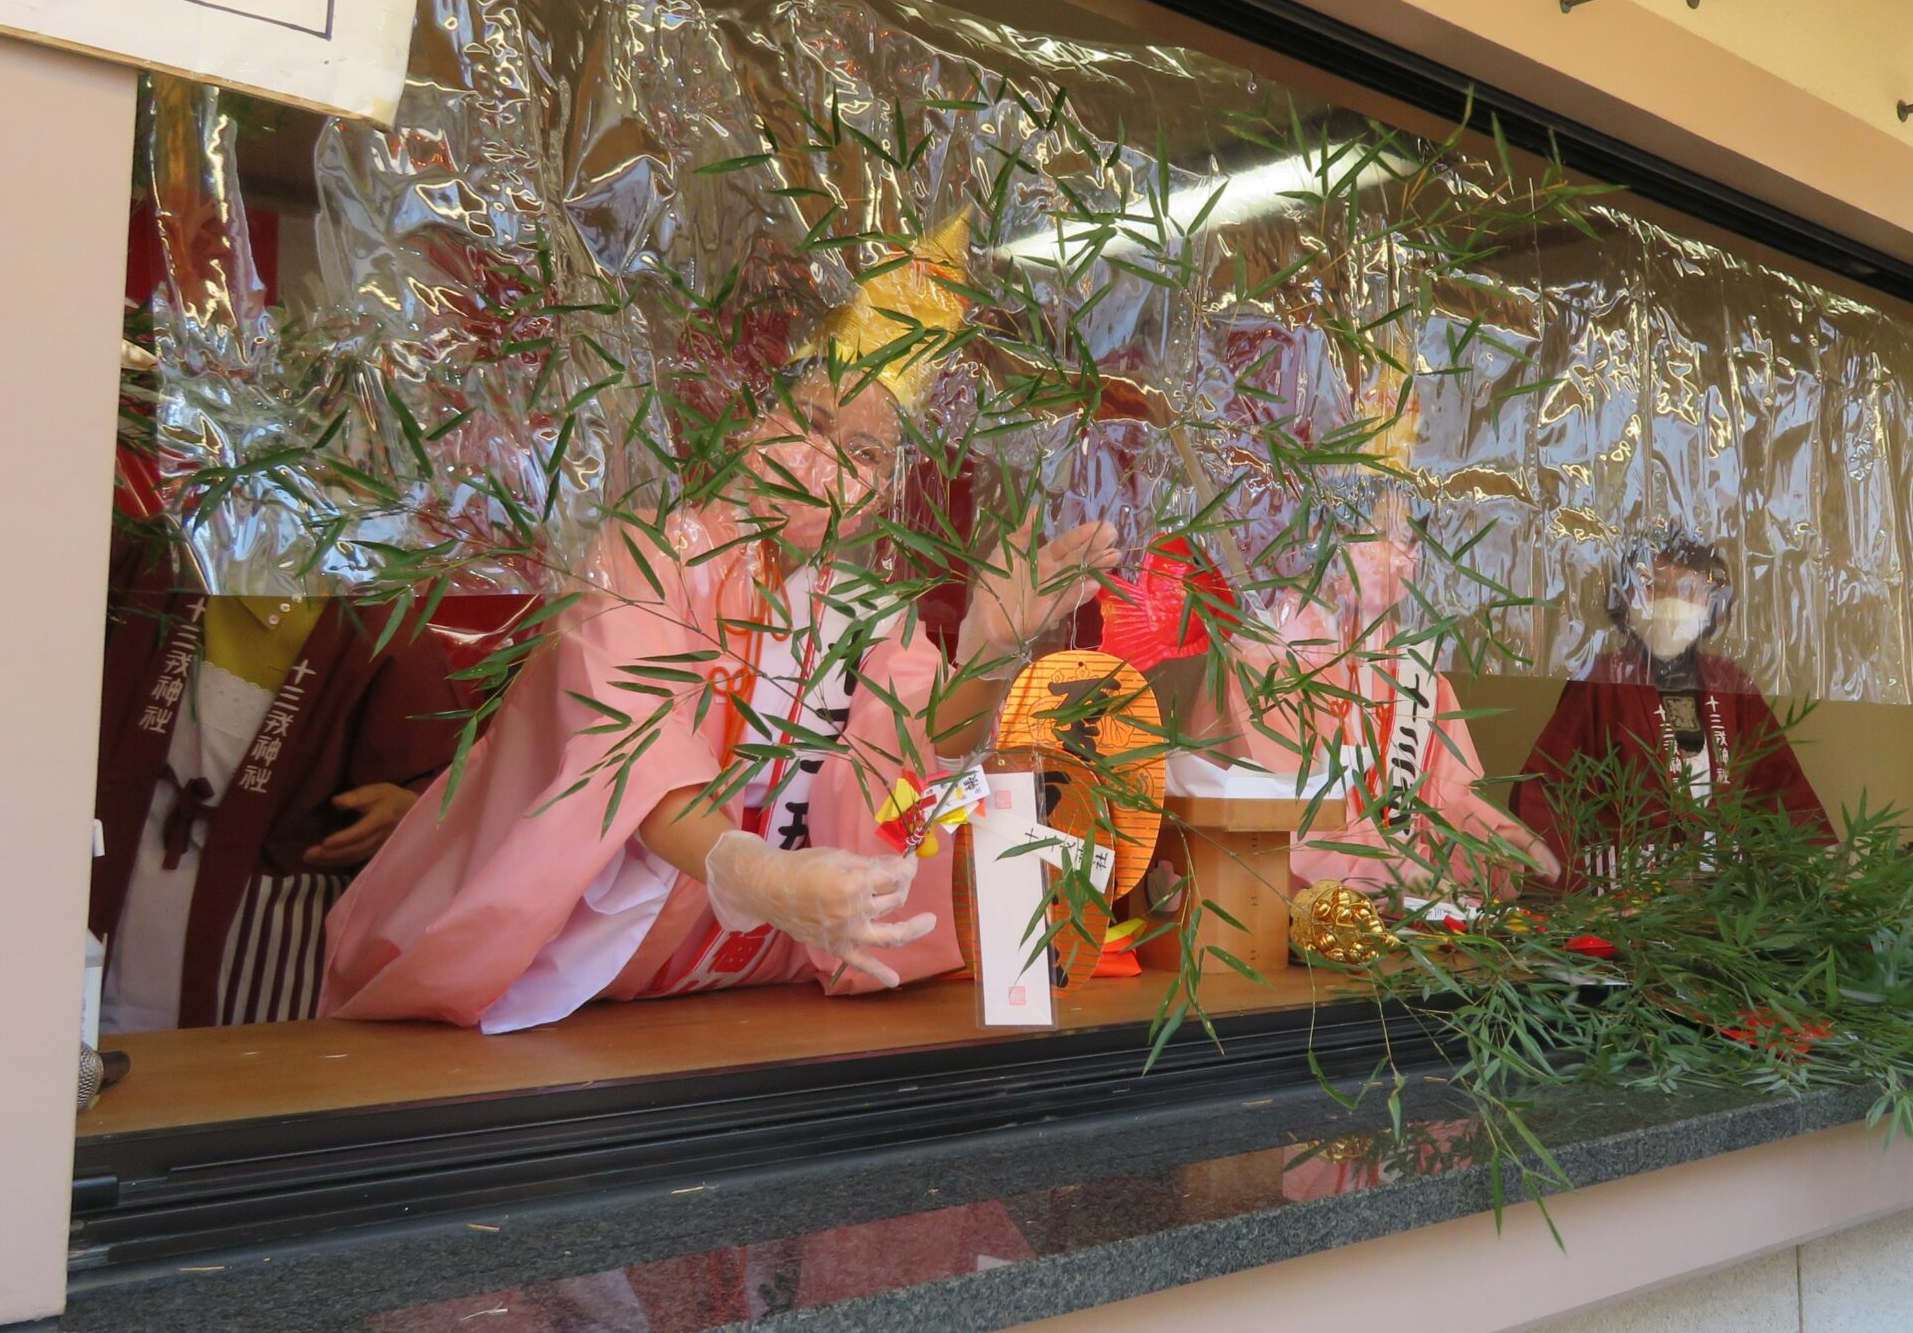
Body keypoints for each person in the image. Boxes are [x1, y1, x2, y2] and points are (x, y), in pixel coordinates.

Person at [321, 228, 1117, 1031]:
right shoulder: (646, 557)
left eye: (868, 452)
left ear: (886, 490)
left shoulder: (873, 615)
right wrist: (758, 878)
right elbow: (630, 754)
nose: (830, 463)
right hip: (585, 987)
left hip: (755, 993)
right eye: (810, 422)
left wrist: (984, 652)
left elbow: (907, 794)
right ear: (745, 420)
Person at [90, 540, 468, 1032]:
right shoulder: (159, 560)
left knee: (239, 1079)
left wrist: (408, 807)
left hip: (267, 934)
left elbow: (444, 778)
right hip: (121, 878)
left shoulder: (374, 614)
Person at [1191, 493, 1559, 899]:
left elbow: (1445, 794)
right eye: (1384, 535)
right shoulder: (1270, 654)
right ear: (1326, 537)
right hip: (1272, 906)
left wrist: (1499, 839)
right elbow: (1291, 812)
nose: (1405, 558)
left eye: (1413, 541)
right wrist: (1399, 874)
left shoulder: (1414, 669)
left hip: (1391, 902)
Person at [1511, 537, 1827, 881]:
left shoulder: (1731, 684)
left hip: (1723, 898)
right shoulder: (1602, 681)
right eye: (1654, 589)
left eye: (1689, 589)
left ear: (1713, 602)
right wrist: (1560, 873)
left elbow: (1780, 788)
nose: (1672, 602)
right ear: (1627, 600)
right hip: (1626, 892)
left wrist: (1810, 867)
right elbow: (1549, 789)